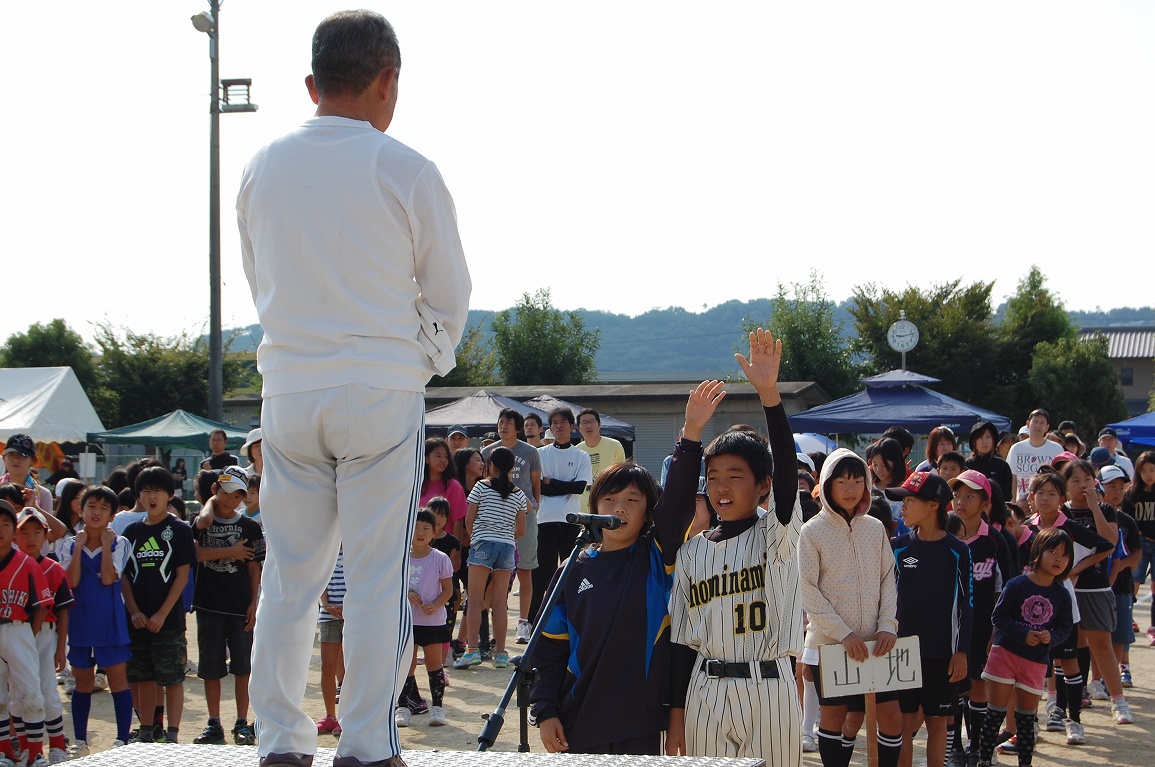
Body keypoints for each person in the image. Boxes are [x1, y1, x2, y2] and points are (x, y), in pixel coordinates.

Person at [238, 11, 472, 766]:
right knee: (375, 576)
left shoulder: (259, 167)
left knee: (290, 576)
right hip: (378, 389)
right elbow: (451, 296)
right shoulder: (406, 168)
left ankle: (280, 741)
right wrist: (416, 359)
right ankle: (368, 743)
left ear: (311, 84)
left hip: (289, 387)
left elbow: (260, 282)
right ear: (387, 79)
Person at [667, 329, 803, 763]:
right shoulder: (692, 552)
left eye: (734, 476)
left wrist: (770, 396)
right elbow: (682, 643)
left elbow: (787, 476)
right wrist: (676, 714)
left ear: (763, 485)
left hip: (770, 686)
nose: (721, 487)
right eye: (713, 477)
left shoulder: (777, 534)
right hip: (706, 687)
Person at [531, 429, 702, 755]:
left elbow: (678, 506)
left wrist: (691, 437)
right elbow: (547, 650)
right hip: (578, 721)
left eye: (632, 500)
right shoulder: (572, 569)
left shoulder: (657, 558)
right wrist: (545, 710)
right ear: (594, 505)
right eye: (609, 499)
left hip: (641, 723)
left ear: (648, 513)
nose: (620, 508)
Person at [798, 448, 901, 767]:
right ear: (827, 484)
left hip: (876, 643)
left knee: (891, 715)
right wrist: (843, 634)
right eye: (841, 481)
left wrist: (887, 625)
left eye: (857, 480)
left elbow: (888, 577)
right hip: (829, 644)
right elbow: (807, 590)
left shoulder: (874, 528)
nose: (850, 488)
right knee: (834, 716)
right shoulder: (811, 531)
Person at [886, 472, 972, 767]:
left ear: (934, 505)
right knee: (904, 723)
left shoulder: (958, 550)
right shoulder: (897, 546)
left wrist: (961, 651)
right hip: (901, 651)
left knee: (938, 722)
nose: (903, 507)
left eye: (910, 500)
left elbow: (966, 604)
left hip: (942, 653)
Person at [971, 528, 1075, 767]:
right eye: (1052, 551)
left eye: (1064, 555)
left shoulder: (1062, 594)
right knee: (995, 713)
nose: (1058, 558)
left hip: (1036, 660)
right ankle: (984, 761)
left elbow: (1065, 628)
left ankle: (1025, 763)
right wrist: (1023, 633)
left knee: (1026, 719)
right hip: (1004, 655)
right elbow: (999, 617)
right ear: (1038, 551)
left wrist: (1050, 637)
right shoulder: (1017, 584)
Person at [1022, 471, 1111, 742]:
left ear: (1062, 498)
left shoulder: (1069, 526)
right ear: (1031, 497)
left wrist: (1073, 569)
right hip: (1031, 607)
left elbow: (1105, 546)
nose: (1045, 498)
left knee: (1069, 661)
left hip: (1063, 604)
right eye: (1040, 493)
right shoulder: (1027, 527)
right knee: (1034, 665)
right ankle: (1031, 722)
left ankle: (1074, 720)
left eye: (1052, 493)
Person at [120, 467, 197, 745]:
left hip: (169, 621)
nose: (152, 497)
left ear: (169, 495)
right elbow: (124, 577)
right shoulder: (131, 531)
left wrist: (162, 614)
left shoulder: (180, 530)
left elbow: (182, 575)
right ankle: (147, 730)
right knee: (144, 678)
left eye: (158, 491)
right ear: (138, 496)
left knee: (173, 678)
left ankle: (173, 734)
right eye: (146, 491)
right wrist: (134, 611)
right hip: (138, 621)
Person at [191, 465, 265, 746]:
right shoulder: (202, 521)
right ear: (215, 490)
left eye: (238, 495)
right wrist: (231, 550)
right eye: (225, 492)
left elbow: (254, 568)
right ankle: (214, 722)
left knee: (243, 667)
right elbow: (196, 553)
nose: (230, 499)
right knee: (211, 667)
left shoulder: (250, 527)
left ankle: (241, 722)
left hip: (239, 606)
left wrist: (253, 604)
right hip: (208, 604)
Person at [1057, 459, 1134, 725]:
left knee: (1102, 644)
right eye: (1075, 480)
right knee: (1072, 644)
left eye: (1087, 479)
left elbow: (1109, 542)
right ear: (1065, 485)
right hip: (1065, 586)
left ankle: (1118, 702)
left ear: (1095, 482)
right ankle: (1072, 698)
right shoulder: (1061, 511)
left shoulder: (1105, 509)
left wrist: (1094, 507)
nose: (1082, 485)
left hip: (1096, 586)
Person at [944, 470, 1013, 764]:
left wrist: (997, 631)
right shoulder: (944, 535)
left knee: (978, 684)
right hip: (950, 627)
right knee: (953, 686)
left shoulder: (996, 541)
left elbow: (1007, 588)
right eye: (957, 495)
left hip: (984, 626)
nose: (961, 501)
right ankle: (955, 748)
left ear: (985, 503)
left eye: (970, 496)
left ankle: (978, 747)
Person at [59, 486, 134, 757]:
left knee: (118, 681)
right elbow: (71, 581)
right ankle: (80, 741)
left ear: (112, 515)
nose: (96, 512)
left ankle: (122, 739)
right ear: (81, 510)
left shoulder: (120, 543)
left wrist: (104, 544)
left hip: (111, 623)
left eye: (104, 508)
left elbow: (108, 578)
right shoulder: (68, 543)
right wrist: (80, 547)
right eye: (91, 506)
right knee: (82, 683)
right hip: (80, 622)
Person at [455, 447, 527, 670]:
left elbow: (469, 520)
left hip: (482, 544)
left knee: (475, 600)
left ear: (491, 465)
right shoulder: (519, 494)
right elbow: (521, 530)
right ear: (512, 468)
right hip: (507, 547)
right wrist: (506, 537)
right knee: (499, 602)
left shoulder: (480, 487)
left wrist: (477, 537)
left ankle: (472, 650)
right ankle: (501, 654)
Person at [14, 507, 74, 764]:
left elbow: (62, 612)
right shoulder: (11, 566)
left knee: (48, 691)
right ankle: (28, 746)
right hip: (16, 635)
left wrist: (61, 648)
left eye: (37, 532)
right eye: (24, 532)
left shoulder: (54, 568)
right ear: (14, 536)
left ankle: (58, 745)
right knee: (18, 693)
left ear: (46, 536)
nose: (31, 538)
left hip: (46, 637)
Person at [481, 408, 541, 645]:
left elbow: (535, 484)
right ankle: (490, 624)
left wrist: (534, 507)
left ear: (518, 427)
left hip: (524, 515)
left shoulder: (530, 452)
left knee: (525, 570)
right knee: (494, 572)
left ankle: (524, 622)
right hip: (496, 516)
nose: (503, 426)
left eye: (508, 422)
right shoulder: (487, 452)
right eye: (500, 422)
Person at [0, 502, 54, 767]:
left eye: (5, 524)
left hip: (18, 628)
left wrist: (28, 635)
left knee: (31, 691)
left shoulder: (27, 563)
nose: (0, 530)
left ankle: (35, 753)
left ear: (14, 533)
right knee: (0, 698)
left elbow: (42, 606)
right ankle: (5, 752)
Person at [531, 408, 593, 628]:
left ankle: (571, 618)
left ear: (571, 427)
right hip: (544, 520)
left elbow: (579, 488)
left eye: (563, 422)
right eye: (554, 423)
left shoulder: (581, 455)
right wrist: (560, 486)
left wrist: (552, 483)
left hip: (570, 521)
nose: (559, 426)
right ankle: (534, 621)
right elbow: (539, 487)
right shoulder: (540, 454)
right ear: (550, 427)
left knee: (570, 572)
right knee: (542, 574)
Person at [396, 510, 454, 728]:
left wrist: (436, 604)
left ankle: (437, 708)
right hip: (407, 620)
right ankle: (403, 707)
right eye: (416, 528)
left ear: (434, 532)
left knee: (434, 665)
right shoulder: (400, 556)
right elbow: (393, 584)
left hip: (432, 621)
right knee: (406, 665)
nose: (420, 533)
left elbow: (448, 589)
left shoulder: (440, 558)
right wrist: (406, 593)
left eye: (425, 528)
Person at [1121, 451, 1155, 645]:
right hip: (1139, 542)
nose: (1149, 475)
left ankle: (1153, 626)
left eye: (1152, 470)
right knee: (1133, 582)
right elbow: (1128, 521)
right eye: (1144, 471)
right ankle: (1128, 619)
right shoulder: (1131, 494)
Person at [316, 550, 346, 737]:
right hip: (328, 615)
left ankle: (347, 717)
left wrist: (349, 605)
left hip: (354, 614)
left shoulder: (357, 548)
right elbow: (320, 580)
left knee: (351, 669)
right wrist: (325, 604)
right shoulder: (326, 551)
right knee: (327, 667)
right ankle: (330, 716)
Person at [575, 408, 626, 513]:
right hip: (583, 508)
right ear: (579, 428)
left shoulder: (615, 445)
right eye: (584, 422)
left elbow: (622, 477)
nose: (588, 426)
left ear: (599, 424)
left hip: (609, 505)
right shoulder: (576, 451)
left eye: (591, 421)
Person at [1005, 410, 1064, 501]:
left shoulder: (1056, 449)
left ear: (1047, 427)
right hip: (1021, 502)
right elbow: (1013, 478)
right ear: (1028, 424)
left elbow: (1061, 478)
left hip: (1047, 501)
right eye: (1035, 422)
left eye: (1042, 423)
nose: (1038, 426)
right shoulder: (1016, 448)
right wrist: (1013, 504)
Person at [966, 422, 1013, 506]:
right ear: (974, 441)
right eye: (980, 438)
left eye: (988, 437)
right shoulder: (967, 465)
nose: (985, 442)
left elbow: (1007, 496)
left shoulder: (1002, 465)